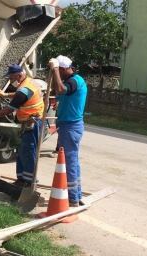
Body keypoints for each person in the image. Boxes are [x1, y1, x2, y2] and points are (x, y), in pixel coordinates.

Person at [0, 64, 44, 187]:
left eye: (11, 79)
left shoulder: (24, 90)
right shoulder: (30, 82)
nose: (10, 81)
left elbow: (9, 109)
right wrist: (6, 95)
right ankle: (21, 179)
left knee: (28, 151)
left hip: (32, 123)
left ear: (19, 76)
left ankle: (30, 182)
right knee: (21, 151)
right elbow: (21, 94)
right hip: (28, 122)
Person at [49, 55, 87, 207]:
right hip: (69, 125)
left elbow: (59, 89)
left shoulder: (74, 81)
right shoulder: (70, 80)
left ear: (64, 69)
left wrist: (55, 69)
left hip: (71, 126)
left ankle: (72, 199)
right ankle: (76, 195)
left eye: (60, 71)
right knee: (73, 162)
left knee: (69, 162)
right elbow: (56, 90)